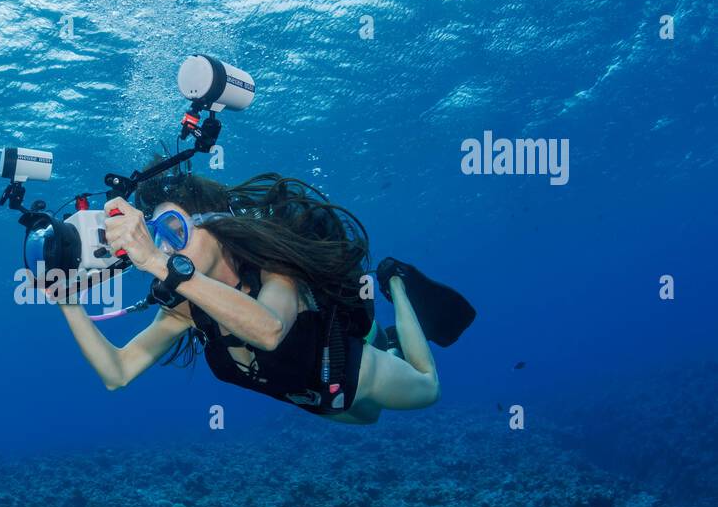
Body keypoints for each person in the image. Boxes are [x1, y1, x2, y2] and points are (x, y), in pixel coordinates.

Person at [53, 171, 475, 424]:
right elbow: (118, 373)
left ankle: (395, 280)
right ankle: (386, 340)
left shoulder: (275, 270)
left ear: (215, 224)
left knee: (427, 388)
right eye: (157, 238)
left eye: (174, 231)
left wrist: (157, 264)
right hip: (321, 402)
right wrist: (67, 300)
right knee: (368, 419)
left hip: (350, 375)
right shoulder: (186, 307)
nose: (166, 248)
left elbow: (269, 329)